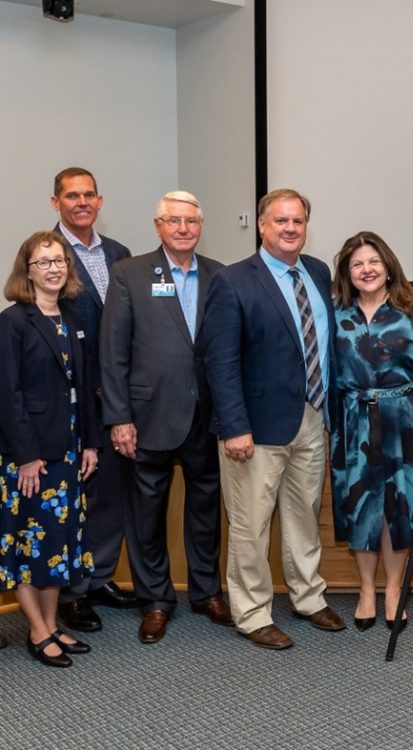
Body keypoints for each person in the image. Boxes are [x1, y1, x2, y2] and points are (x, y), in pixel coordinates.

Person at [203, 188, 345, 649]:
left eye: (298, 221)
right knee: (251, 522)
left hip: (311, 415)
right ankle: (252, 612)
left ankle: (308, 597)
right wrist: (234, 426)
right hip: (255, 428)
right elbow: (219, 362)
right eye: (280, 221)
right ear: (262, 226)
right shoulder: (233, 280)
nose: (290, 229)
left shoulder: (319, 272)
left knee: (303, 515)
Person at [99, 191, 231, 645]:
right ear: (157, 225)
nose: (182, 228)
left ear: (200, 226)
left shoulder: (220, 276)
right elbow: (112, 353)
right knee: (146, 514)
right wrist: (119, 418)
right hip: (147, 416)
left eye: (191, 221)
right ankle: (154, 599)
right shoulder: (129, 274)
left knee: (205, 510)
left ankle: (206, 592)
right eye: (173, 221)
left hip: (207, 416)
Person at [329, 231, 413, 632]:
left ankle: (394, 590)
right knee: (361, 509)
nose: (367, 270)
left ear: (388, 265)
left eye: (374, 261)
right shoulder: (335, 314)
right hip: (354, 421)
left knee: (400, 510)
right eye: (357, 264)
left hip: (408, 423)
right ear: (347, 271)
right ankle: (365, 591)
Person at [0, 232, 100, 667]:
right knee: (28, 544)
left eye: (59, 260)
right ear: (27, 271)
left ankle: (52, 621)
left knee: (57, 542)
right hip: (30, 457)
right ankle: (37, 631)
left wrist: (91, 444)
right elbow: (8, 394)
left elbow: (84, 387)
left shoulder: (73, 318)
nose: (54, 268)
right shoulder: (13, 322)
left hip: (69, 450)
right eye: (43, 262)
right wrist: (25, 455)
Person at [51, 167, 138, 632]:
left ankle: (100, 575)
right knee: (74, 493)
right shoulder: (47, 253)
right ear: (56, 202)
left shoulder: (120, 254)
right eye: (71, 195)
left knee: (111, 494)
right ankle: (69, 592)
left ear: (100, 201)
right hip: (72, 397)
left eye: (88, 195)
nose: (81, 202)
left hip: (118, 398)